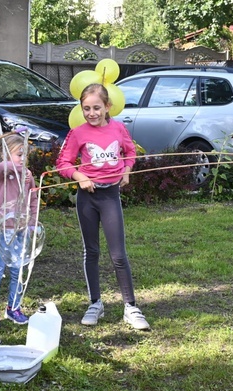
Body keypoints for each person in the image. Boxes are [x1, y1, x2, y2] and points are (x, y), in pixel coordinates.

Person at [55, 83, 149, 330]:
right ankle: (95, 303)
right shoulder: (77, 133)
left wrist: (127, 170)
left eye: (96, 107)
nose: (91, 113)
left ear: (108, 107)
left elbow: (129, 152)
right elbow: (63, 162)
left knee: (118, 254)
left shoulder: (118, 128)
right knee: (92, 252)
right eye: (86, 108)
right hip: (88, 198)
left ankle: (131, 307)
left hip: (110, 197)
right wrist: (79, 177)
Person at [0, 134, 37, 329]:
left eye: (25, 155)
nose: (23, 158)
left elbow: (33, 198)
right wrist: (12, 163)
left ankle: (13, 308)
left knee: (18, 272)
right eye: (18, 154)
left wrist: (31, 221)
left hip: (21, 229)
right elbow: (2, 168)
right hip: (3, 230)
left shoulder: (27, 175)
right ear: (4, 154)